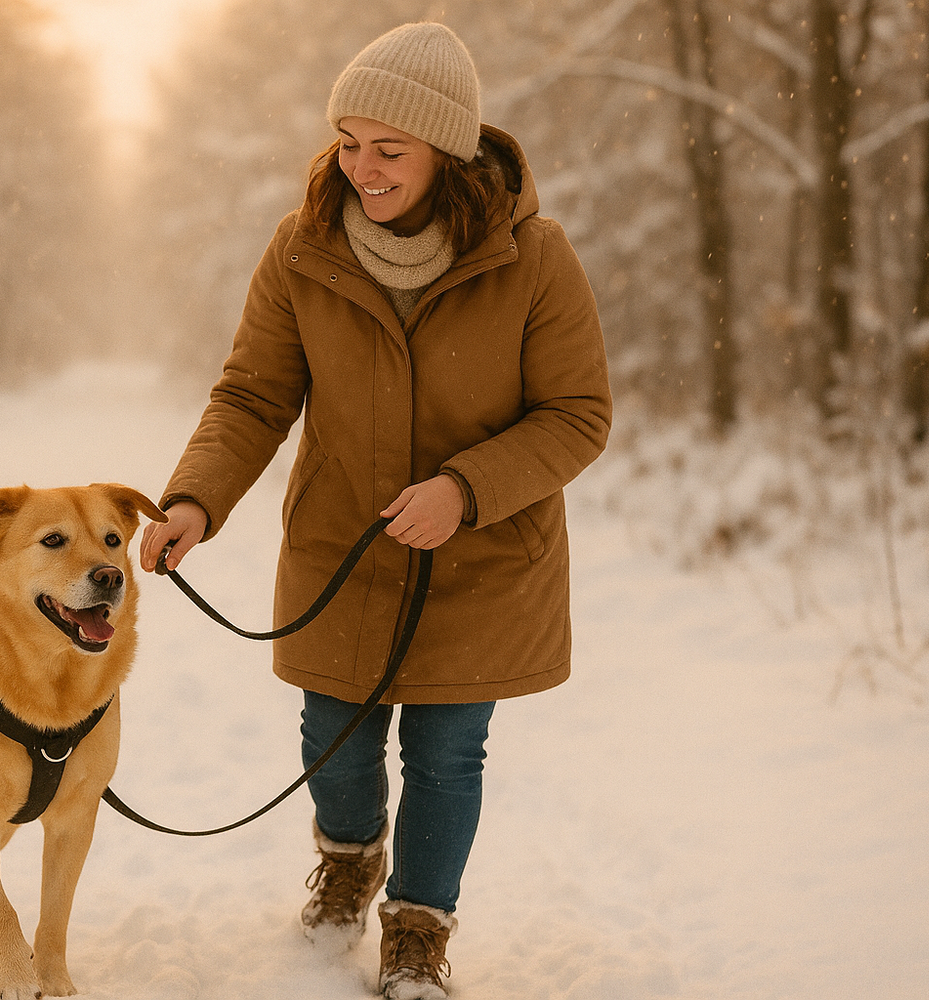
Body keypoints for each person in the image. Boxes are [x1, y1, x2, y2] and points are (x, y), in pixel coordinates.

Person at [139, 21, 611, 1000]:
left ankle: (417, 934)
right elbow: (252, 397)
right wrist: (194, 499)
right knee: (336, 742)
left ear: (447, 149)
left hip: (479, 561)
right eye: (348, 143)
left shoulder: (535, 258)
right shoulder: (304, 248)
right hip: (342, 551)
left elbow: (577, 415)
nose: (363, 167)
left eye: (389, 149)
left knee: (447, 751)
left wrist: (465, 489)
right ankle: (351, 855)